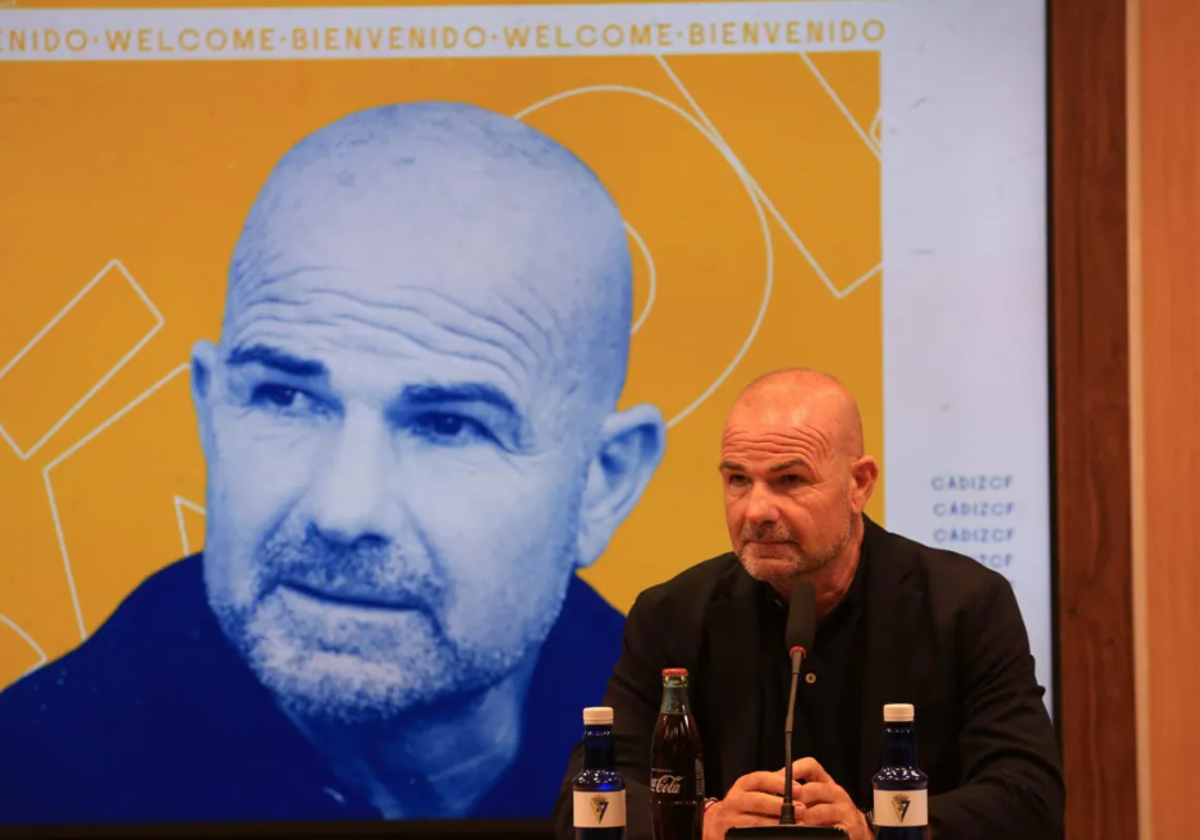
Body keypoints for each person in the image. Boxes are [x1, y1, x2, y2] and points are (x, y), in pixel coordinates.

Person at [0, 101, 666, 824]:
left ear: (604, 484)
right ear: (211, 413)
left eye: (447, 424)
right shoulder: (34, 789)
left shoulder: (718, 765)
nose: (343, 510)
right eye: (284, 397)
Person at [553, 369, 1064, 840]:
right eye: (737, 480)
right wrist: (701, 822)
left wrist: (877, 827)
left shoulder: (963, 605)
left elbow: (1030, 796)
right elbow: (587, 794)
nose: (756, 510)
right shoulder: (671, 615)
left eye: (789, 480)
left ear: (858, 484)